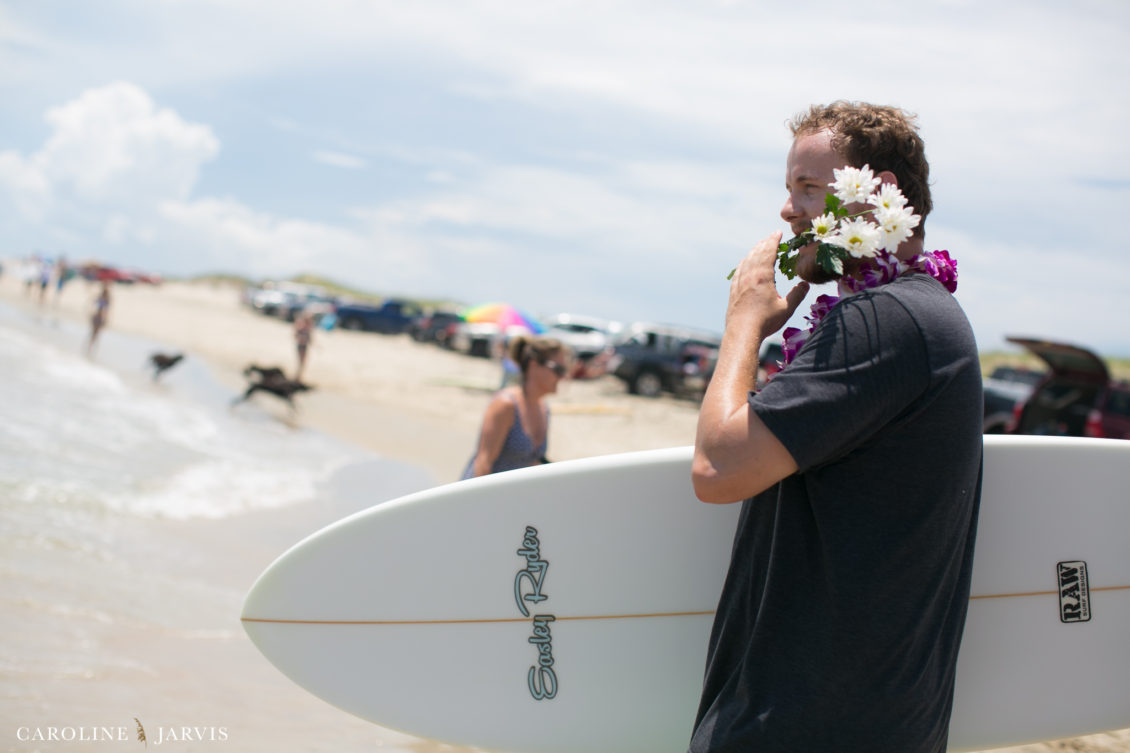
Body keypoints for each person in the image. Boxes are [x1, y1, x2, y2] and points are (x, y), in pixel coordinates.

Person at [689, 102, 983, 753]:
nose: (788, 210)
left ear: (876, 198)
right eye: (790, 187)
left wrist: (744, 321)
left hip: (805, 728)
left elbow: (717, 468)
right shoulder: (921, 314)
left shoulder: (884, 322)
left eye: (810, 188)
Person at [462, 335, 568, 479]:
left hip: (511, 497)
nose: (562, 377)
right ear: (534, 365)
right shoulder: (506, 405)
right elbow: (483, 462)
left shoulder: (544, 408)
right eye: (558, 370)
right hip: (484, 493)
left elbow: (533, 462)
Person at [86, 281, 112, 355]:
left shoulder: (105, 299)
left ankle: (90, 349)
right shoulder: (105, 299)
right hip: (99, 317)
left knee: (94, 334)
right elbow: (106, 310)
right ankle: (91, 350)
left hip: (98, 317)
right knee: (95, 334)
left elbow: (94, 303)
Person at [293, 311, 314, 381]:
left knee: (303, 362)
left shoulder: (309, 326)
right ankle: (297, 376)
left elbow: (310, 337)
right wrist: (301, 339)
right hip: (300, 345)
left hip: (304, 345)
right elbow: (296, 335)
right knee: (301, 361)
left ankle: (299, 376)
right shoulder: (301, 325)